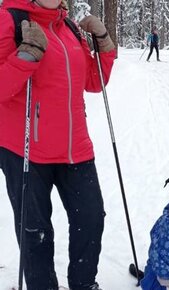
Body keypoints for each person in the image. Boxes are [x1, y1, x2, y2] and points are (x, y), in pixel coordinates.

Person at [0, 0, 116, 288]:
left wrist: (103, 44)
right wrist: (26, 57)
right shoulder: (8, 21)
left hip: (75, 148)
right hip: (25, 149)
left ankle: (84, 283)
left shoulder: (69, 28)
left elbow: (92, 80)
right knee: (35, 232)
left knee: (91, 218)